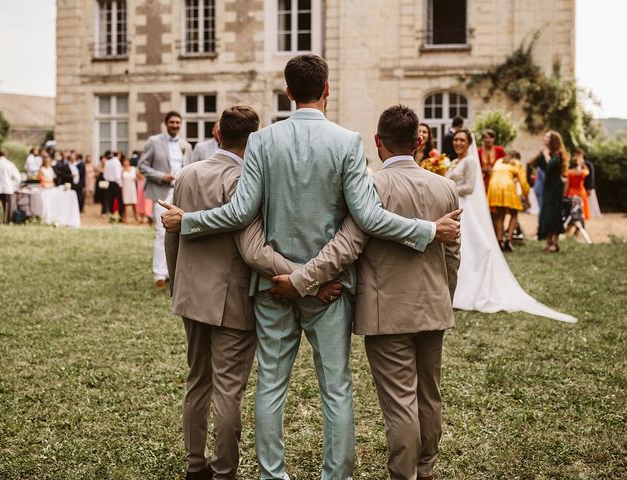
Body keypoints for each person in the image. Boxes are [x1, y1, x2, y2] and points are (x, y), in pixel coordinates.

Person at [161, 54, 460, 480]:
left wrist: (188, 221)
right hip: (331, 286)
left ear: (288, 93)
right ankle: (335, 476)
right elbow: (364, 222)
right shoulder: (347, 141)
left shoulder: (263, 142)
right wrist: (428, 230)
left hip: (272, 285)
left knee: (271, 386)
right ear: (327, 90)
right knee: (335, 389)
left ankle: (272, 475)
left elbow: (242, 213)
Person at [272, 105, 461, 480]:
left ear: (378, 141)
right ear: (419, 141)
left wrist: (300, 280)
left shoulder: (371, 187)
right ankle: (426, 468)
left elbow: (346, 247)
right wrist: (443, 293)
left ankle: (402, 474)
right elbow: (453, 255)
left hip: (387, 311)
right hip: (435, 306)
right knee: (429, 394)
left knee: (400, 402)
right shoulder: (446, 187)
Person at [164, 104, 341, 480]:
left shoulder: (187, 174)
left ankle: (196, 465)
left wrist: (178, 283)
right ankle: (225, 470)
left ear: (217, 132)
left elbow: (172, 236)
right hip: (232, 298)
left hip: (191, 294)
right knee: (229, 390)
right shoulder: (247, 179)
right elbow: (253, 249)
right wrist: (310, 279)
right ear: (255, 138)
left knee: (197, 381)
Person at [446, 129, 576, 322]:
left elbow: (470, 187)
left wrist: (446, 186)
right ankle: (455, 289)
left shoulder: (471, 161)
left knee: (474, 248)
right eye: (455, 139)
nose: (457, 143)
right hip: (456, 208)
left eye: (462, 140)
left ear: (469, 143)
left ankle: (471, 290)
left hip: (467, 210)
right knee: (459, 250)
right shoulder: (454, 162)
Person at [138, 111, 192, 288]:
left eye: (178, 122)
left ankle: (174, 272)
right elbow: (142, 166)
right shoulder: (154, 141)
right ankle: (159, 274)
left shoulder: (186, 145)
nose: (175, 125)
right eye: (172, 122)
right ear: (166, 123)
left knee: (181, 233)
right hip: (162, 193)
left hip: (181, 192)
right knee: (162, 232)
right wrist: (162, 176)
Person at [528, 130, 569, 253]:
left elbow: (552, 166)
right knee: (546, 214)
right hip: (547, 187)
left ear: (553, 140)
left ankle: (555, 243)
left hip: (555, 188)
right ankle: (548, 242)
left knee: (554, 214)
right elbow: (532, 163)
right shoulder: (547, 152)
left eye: (547, 136)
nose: (544, 138)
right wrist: (541, 153)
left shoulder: (558, 153)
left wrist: (546, 155)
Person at [487, 150, 530, 252]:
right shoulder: (517, 163)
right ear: (517, 157)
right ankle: (508, 240)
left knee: (500, 214)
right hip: (507, 187)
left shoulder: (499, 161)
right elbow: (523, 183)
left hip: (493, 187)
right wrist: (527, 198)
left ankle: (499, 240)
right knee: (514, 213)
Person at [0, 150, 21, 223]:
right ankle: (6, 221)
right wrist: (14, 186)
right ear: (6, 155)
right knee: (7, 208)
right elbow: (18, 177)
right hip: (7, 189)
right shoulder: (10, 164)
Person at [566, 148, 590, 220]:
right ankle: (580, 225)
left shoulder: (569, 172)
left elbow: (567, 184)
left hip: (571, 191)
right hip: (581, 191)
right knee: (581, 209)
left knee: (572, 209)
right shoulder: (582, 172)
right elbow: (588, 171)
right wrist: (582, 164)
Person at [103, 151, 124, 220]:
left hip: (109, 183)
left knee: (110, 200)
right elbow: (117, 175)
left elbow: (105, 175)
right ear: (118, 155)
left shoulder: (108, 162)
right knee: (119, 200)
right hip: (116, 183)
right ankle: (120, 216)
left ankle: (111, 215)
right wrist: (120, 184)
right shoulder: (117, 162)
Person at [121, 154, 140, 222]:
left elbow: (139, 177)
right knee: (125, 203)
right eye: (124, 161)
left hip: (132, 187)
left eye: (127, 161)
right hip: (125, 188)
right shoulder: (121, 169)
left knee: (133, 203)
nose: (125, 163)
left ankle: (136, 216)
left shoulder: (133, 168)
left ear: (129, 162)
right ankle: (125, 217)